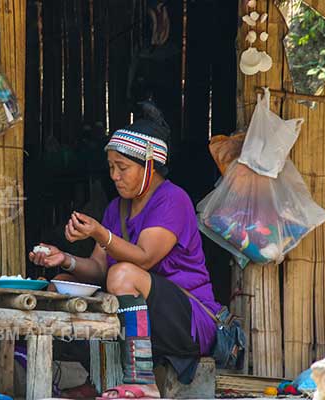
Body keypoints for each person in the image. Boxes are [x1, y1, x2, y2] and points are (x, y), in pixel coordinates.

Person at [29, 102, 220, 399]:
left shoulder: (173, 200)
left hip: (190, 321)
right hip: (148, 319)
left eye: (123, 168)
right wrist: (64, 259)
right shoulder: (116, 208)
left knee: (122, 274)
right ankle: (93, 381)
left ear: (150, 167)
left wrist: (100, 233)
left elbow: (145, 257)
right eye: (111, 168)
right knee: (61, 286)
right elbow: (98, 268)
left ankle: (142, 380)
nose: (115, 176)